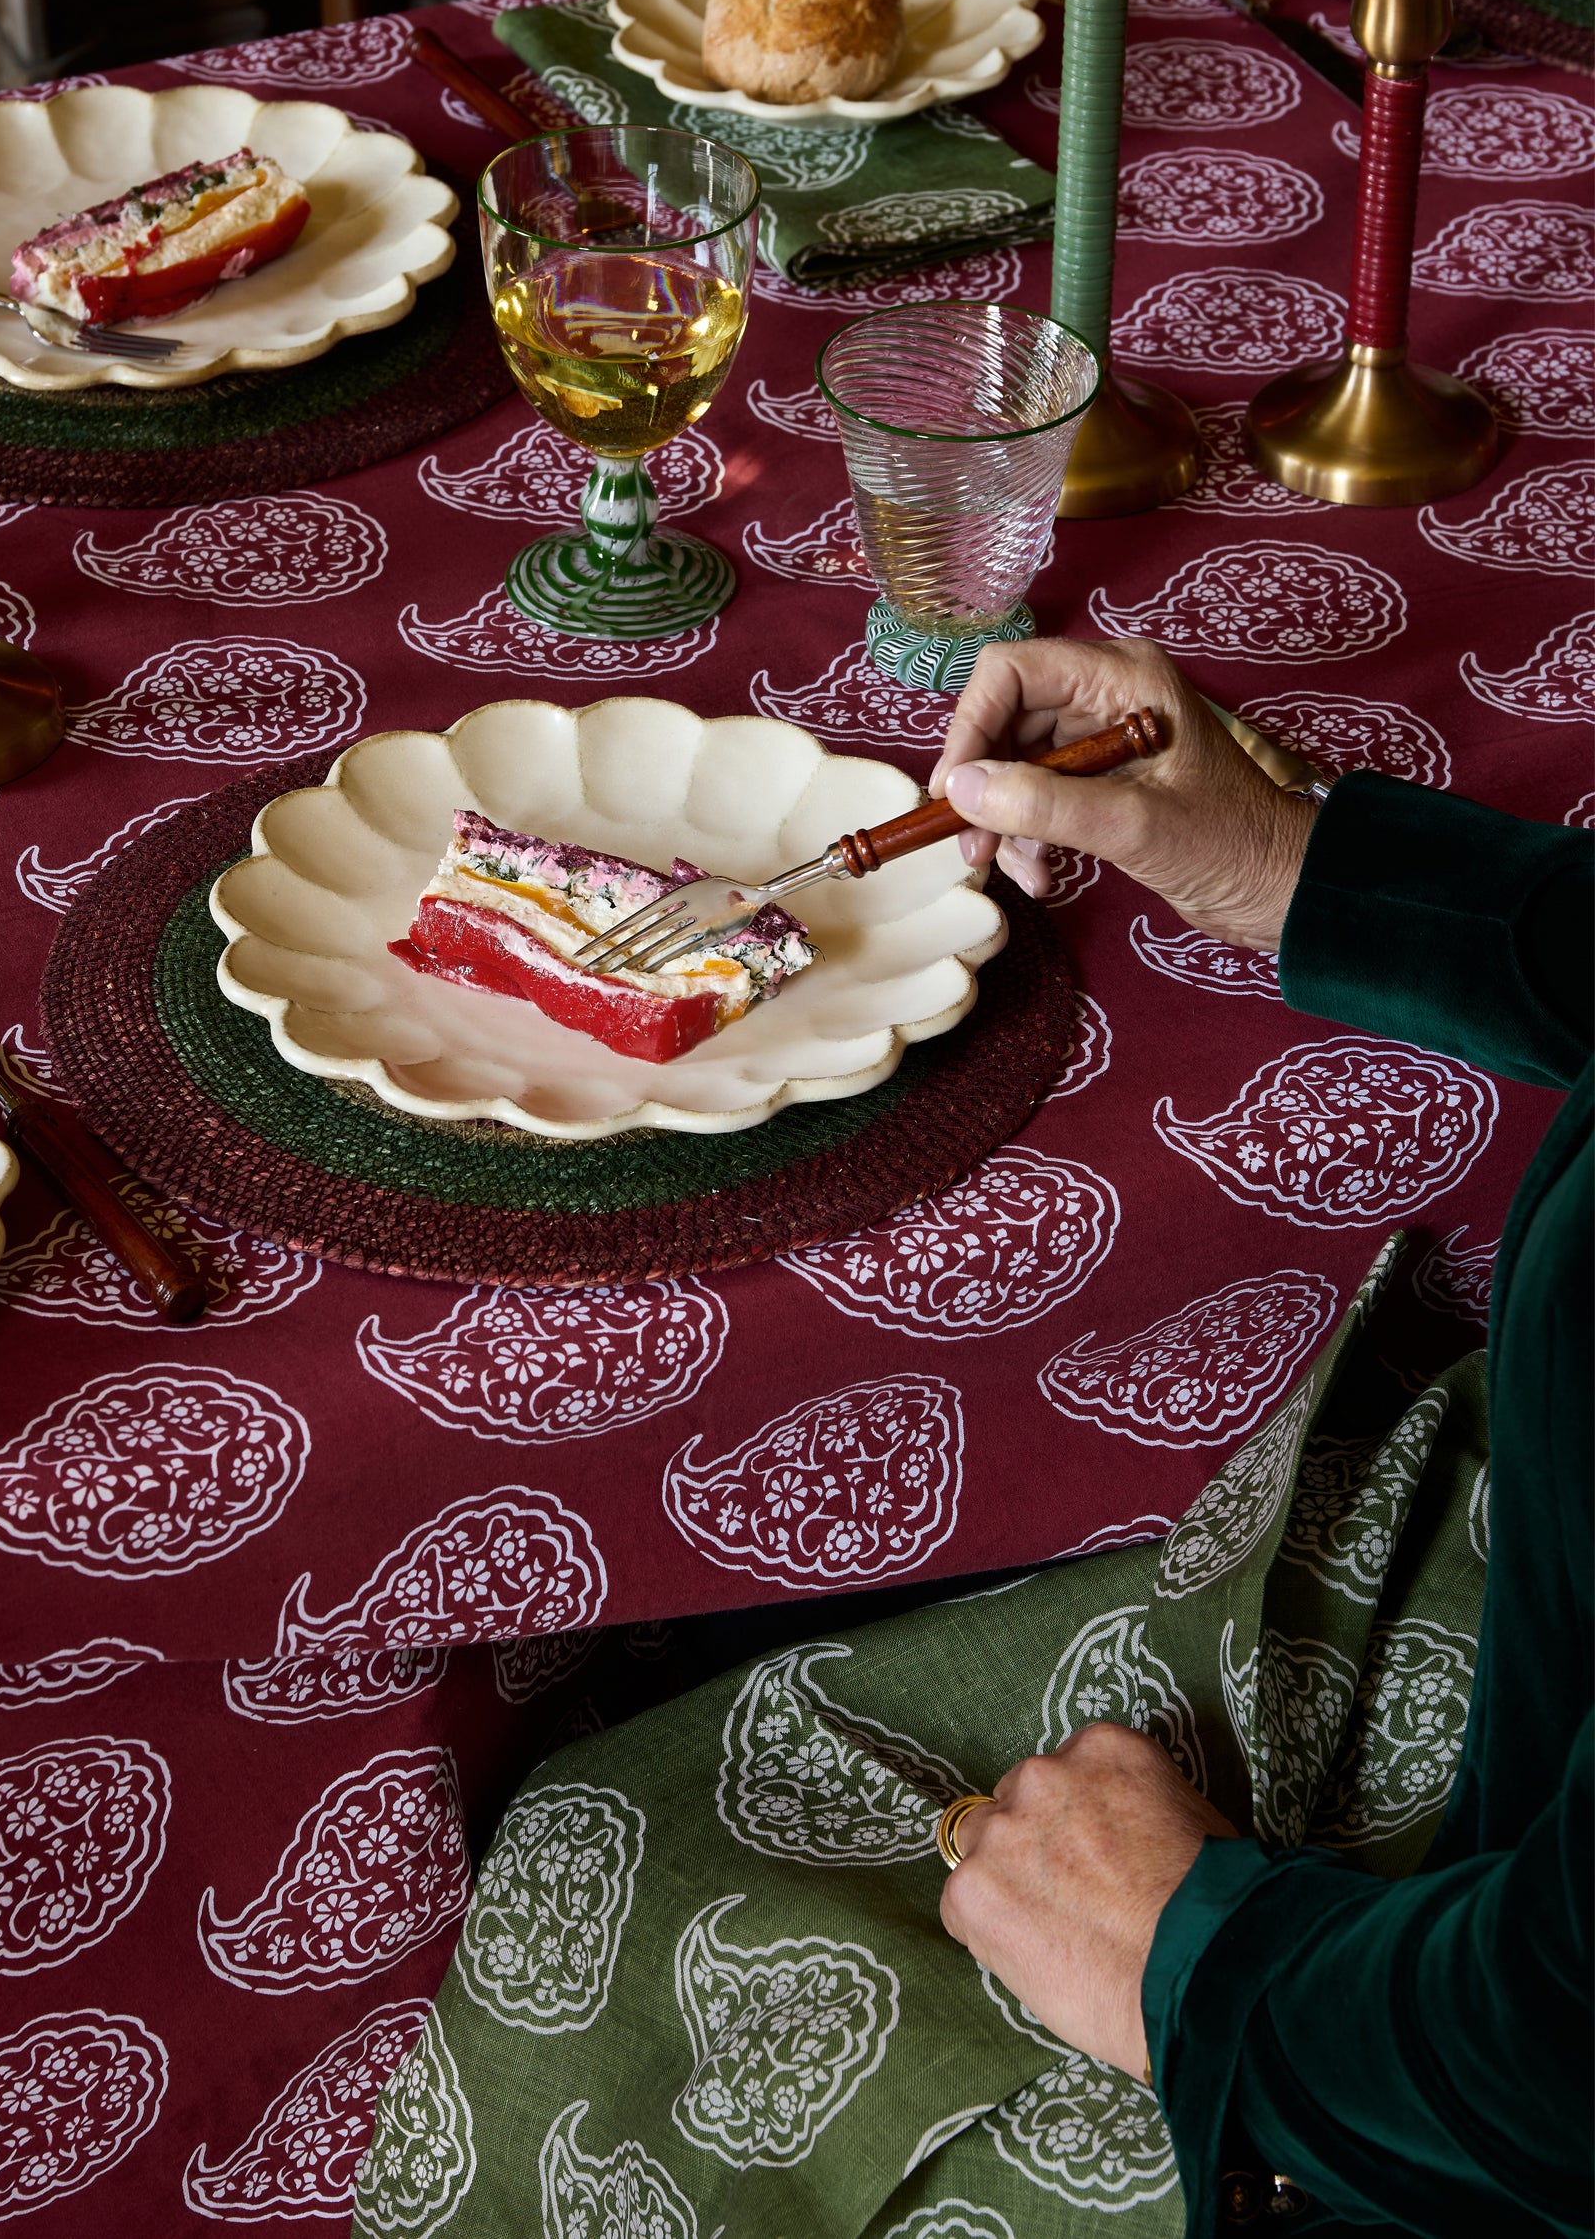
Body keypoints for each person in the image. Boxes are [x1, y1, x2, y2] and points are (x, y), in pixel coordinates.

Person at [352, 636, 1591, 2239]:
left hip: (1435, 2082)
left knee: (620, 1874)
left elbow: (1547, 2076)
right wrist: (1309, 871)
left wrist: (1190, 1956)